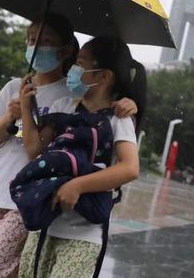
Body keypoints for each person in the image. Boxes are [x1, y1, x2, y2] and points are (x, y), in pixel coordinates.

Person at [0, 16, 136, 278]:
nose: (36, 46)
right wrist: (19, 110)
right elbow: (18, 145)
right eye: (32, 40)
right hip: (21, 207)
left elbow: (128, 165)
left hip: (49, 210)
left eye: (45, 41)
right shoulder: (33, 95)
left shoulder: (83, 101)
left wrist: (127, 103)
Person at [17, 36, 145, 278]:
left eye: (81, 63)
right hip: (45, 225)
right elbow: (35, 150)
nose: (73, 69)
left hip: (82, 236)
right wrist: (25, 106)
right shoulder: (63, 106)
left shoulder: (118, 118)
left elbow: (130, 169)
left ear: (103, 76)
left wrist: (77, 186)